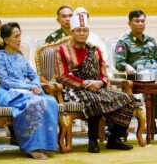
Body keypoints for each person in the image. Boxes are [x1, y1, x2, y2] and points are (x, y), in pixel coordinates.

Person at [55, 14, 140, 153]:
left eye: (85, 30)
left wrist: (100, 82)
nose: (82, 33)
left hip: (97, 86)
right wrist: (84, 84)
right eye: (78, 30)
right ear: (72, 32)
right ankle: (93, 140)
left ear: (88, 32)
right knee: (95, 100)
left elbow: (103, 73)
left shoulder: (95, 50)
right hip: (74, 89)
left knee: (128, 99)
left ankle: (114, 139)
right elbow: (62, 76)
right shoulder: (62, 50)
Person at [0, 22, 58, 159]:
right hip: (8, 93)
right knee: (34, 103)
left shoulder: (20, 57)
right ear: (6, 40)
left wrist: (35, 86)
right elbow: (5, 81)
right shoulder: (0, 57)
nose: (19, 39)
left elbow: (34, 75)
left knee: (51, 101)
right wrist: (29, 87)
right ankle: (31, 147)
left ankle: (45, 145)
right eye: (16, 36)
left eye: (20, 36)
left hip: (26, 92)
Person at [114, 9, 157, 132]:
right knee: (151, 86)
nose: (140, 24)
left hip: (152, 75)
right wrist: (126, 66)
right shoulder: (124, 41)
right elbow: (119, 62)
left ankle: (156, 120)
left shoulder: (151, 40)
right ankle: (148, 121)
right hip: (135, 77)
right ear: (129, 23)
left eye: (142, 21)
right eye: (137, 21)